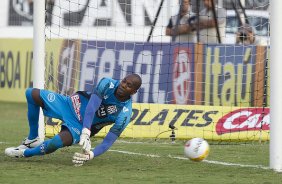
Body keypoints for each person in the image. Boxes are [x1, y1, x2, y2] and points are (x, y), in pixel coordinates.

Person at [5, 74, 142, 166]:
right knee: (31, 93)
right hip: (70, 104)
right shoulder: (107, 84)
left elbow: (108, 142)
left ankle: (24, 153)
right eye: (124, 81)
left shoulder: (124, 114)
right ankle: (32, 139)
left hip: (78, 125)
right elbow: (92, 107)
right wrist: (86, 132)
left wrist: (91, 155)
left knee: (56, 142)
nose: (123, 85)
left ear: (134, 92)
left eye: (129, 85)